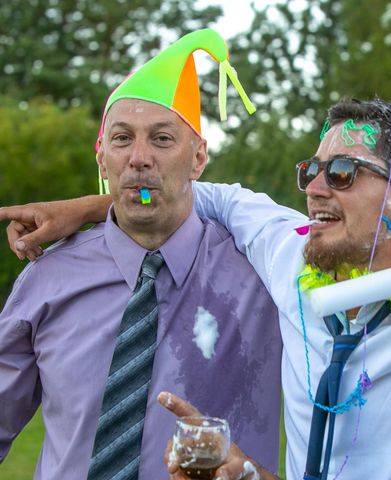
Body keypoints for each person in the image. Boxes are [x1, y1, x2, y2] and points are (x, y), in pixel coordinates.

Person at [3, 102, 391, 479]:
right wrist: (85, 207)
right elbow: (208, 196)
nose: (313, 189)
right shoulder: (289, 252)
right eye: (312, 171)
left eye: (342, 173)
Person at [0, 29, 283, 479]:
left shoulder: (262, 279)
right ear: (102, 160)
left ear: (198, 159)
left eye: (163, 140)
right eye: (122, 139)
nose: (139, 158)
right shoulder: (46, 277)